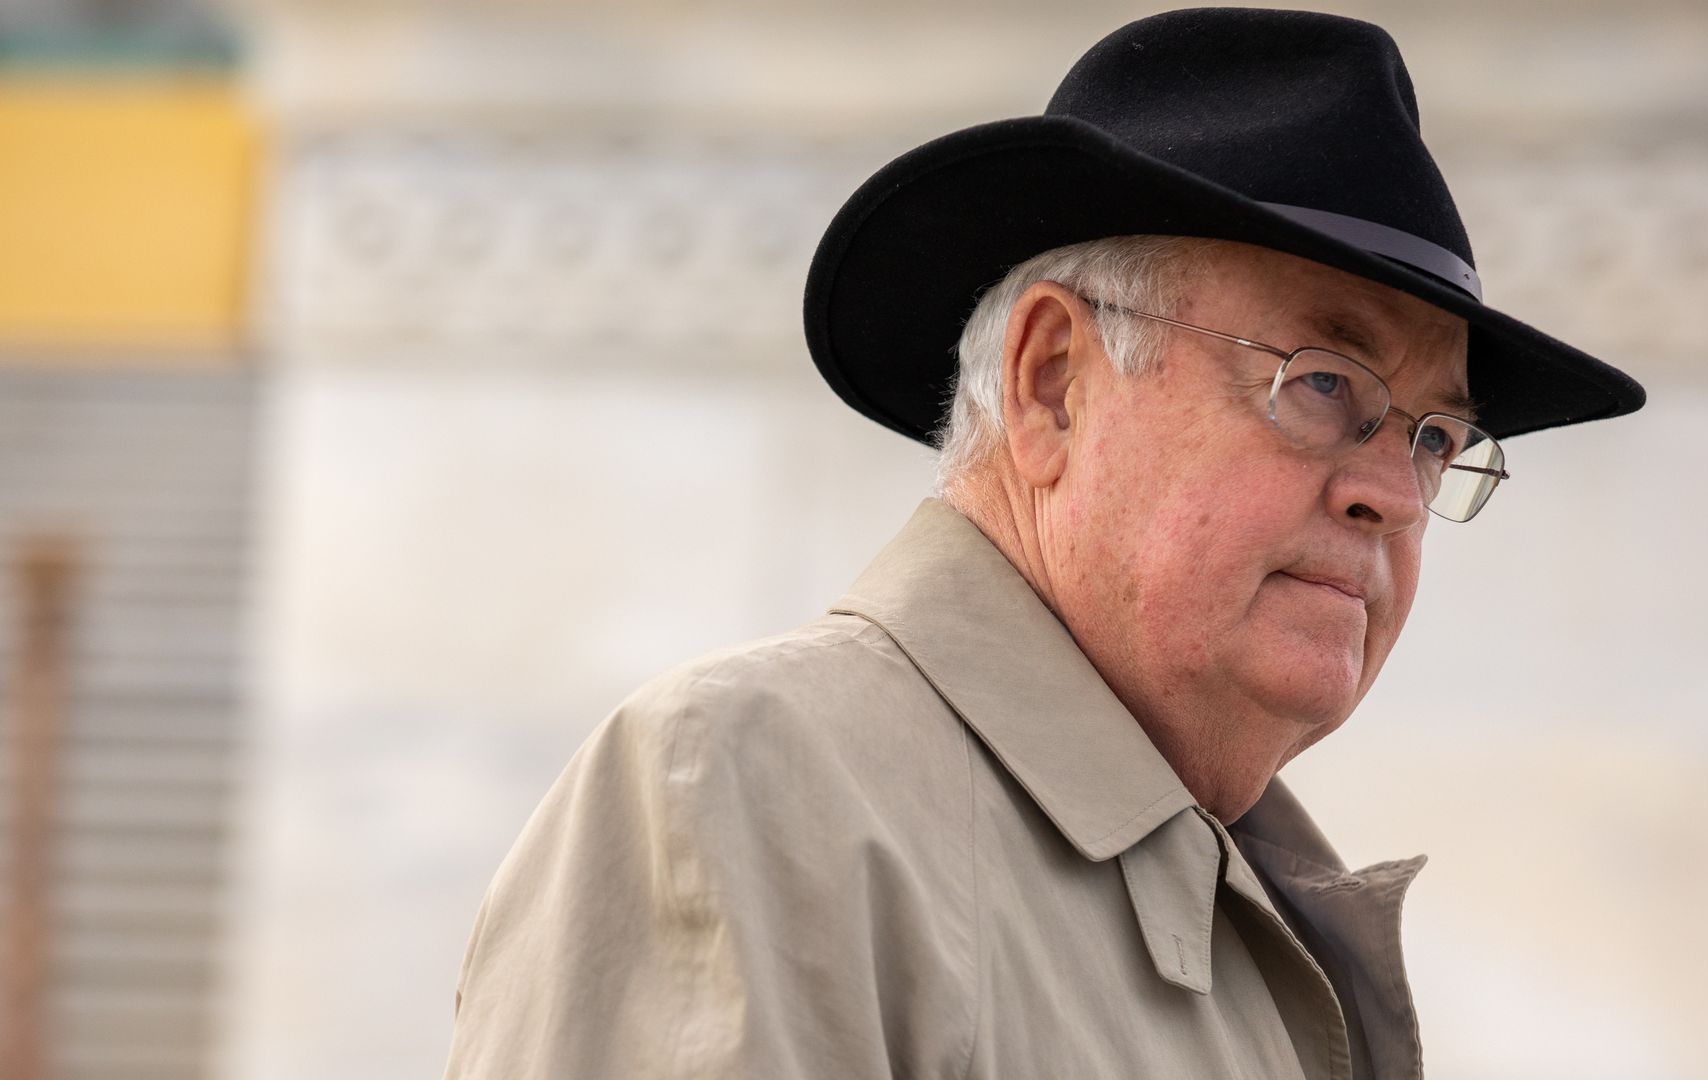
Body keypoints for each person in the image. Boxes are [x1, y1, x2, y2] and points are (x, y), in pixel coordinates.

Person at [442, 9, 1644, 1080]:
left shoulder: (1245, 909)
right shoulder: (753, 783)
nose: (1393, 488)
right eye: (1325, 382)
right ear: (1055, 383)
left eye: (1439, 440)